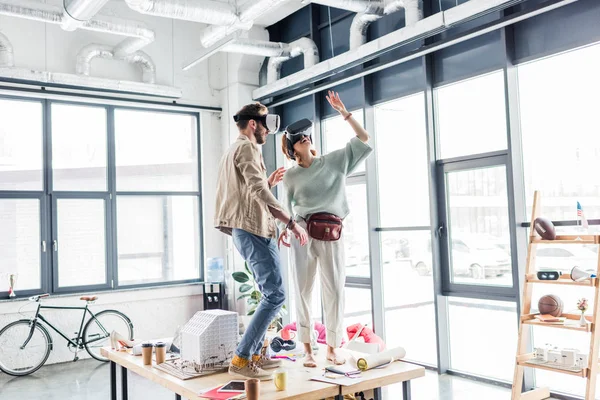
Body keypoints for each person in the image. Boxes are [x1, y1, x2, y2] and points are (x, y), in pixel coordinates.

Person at [278, 91, 373, 367]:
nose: (304, 138)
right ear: (292, 148)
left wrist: (344, 111)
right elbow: (285, 207)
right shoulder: (291, 175)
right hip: (303, 233)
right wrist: (286, 229)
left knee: (335, 290)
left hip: (332, 232)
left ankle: (332, 347)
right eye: (298, 138)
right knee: (303, 290)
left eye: (306, 135)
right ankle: (308, 350)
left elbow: (364, 139)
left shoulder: (333, 161)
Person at [215, 102, 308, 380]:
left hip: (248, 228)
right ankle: (242, 359)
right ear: (253, 124)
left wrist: (267, 182)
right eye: (265, 125)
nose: (268, 132)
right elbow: (256, 191)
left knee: (272, 294)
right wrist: (290, 222)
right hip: (253, 228)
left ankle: (256, 354)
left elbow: (246, 190)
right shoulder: (246, 147)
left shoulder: (234, 149)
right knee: (276, 295)